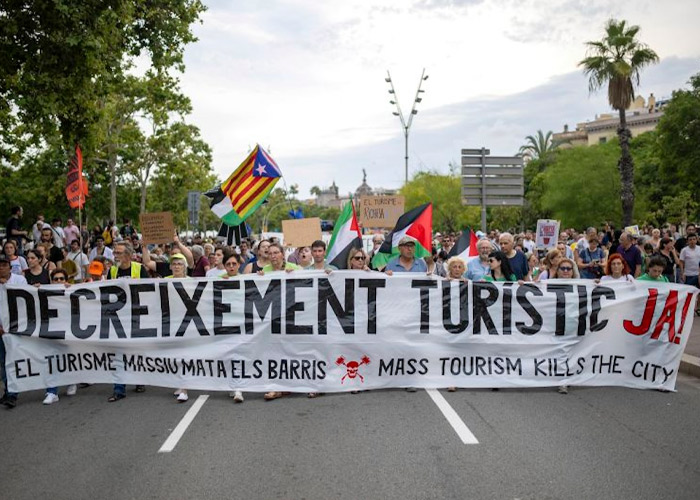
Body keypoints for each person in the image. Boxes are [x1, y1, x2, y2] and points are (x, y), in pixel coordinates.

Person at [107, 241, 149, 401]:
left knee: (136, 351)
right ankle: (119, 389)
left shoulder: (139, 269)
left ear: (128, 255)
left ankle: (138, 379)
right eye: (115, 252)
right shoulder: (112, 270)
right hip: (119, 318)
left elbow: (149, 290)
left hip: (137, 316)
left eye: (118, 253)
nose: (115, 256)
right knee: (119, 352)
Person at [42, 268, 78, 404]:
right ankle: (51, 392)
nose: (58, 281)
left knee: (68, 359)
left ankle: (71, 381)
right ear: (51, 281)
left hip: (68, 331)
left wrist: (72, 289)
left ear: (66, 280)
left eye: (61, 279)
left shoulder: (71, 291)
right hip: (50, 331)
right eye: (55, 279)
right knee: (51, 360)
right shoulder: (43, 293)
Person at [0, 254, 28, 409]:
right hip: (1, 330)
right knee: (3, 362)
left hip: (16, 327)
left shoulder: (19, 281)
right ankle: (8, 389)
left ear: (10, 268)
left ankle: (13, 393)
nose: (1, 268)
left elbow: (24, 302)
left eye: (4, 265)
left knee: (14, 359)